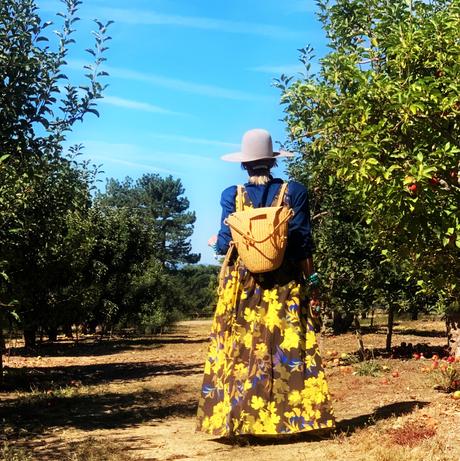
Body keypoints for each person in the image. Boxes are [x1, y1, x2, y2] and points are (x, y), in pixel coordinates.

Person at [196, 128, 335, 437]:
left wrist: (214, 242)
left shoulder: (232, 195)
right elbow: (302, 242)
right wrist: (311, 278)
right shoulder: (294, 191)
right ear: (272, 162)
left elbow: (223, 244)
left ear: (245, 164)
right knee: (287, 348)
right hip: (284, 282)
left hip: (244, 283)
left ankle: (242, 421)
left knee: (241, 351)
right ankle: (295, 420)